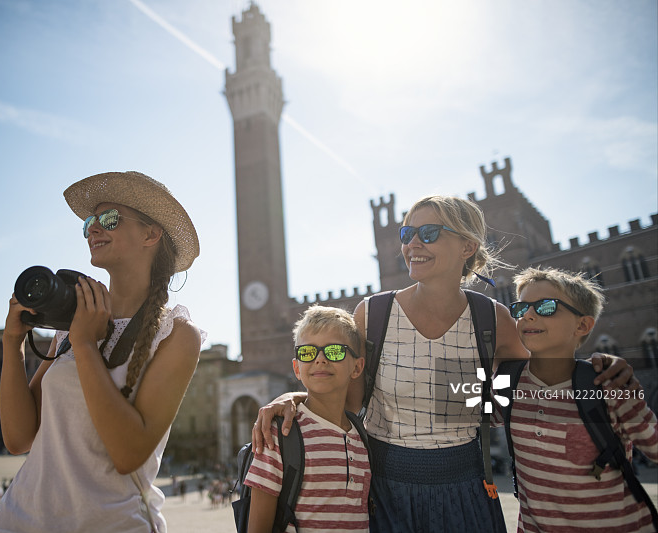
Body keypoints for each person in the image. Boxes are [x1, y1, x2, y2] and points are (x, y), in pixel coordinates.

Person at [253, 195, 637, 532]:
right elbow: (346, 400)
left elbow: (532, 393)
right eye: (407, 234)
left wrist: (599, 371)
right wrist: (295, 398)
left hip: (467, 486)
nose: (413, 244)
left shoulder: (494, 319)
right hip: (386, 490)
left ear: (467, 245)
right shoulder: (375, 313)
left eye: (429, 233)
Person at [0, 171, 204, 533]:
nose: (93, 229)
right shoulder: (72, 324)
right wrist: (12, 345)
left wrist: (86, 344)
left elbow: (128, 454)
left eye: (109, 219)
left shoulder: (177, 335)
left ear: (151, 235)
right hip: (18, 520)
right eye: (90, 222)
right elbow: (18, 438)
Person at [499, 267, 658, 532]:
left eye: (545, 307)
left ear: (582, 325)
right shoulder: (508, 386)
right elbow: (460, 413)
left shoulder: (609, 385)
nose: (527, 315)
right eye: (519, 309)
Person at [245, 305, 371, 532]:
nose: (320, 359)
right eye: (307, 352)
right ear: (296, 367)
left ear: (357, 366)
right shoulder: (278, 434)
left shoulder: (363, 437)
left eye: (334, 351)